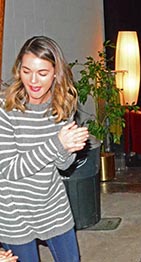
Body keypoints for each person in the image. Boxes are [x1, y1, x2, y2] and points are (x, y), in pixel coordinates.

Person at [0, 36, 89, 261]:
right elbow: (9, 169)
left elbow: (63, 165)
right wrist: (57, 144)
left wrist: (70, 147)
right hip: (14, 210)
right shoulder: (6, 108)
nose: (33, 81)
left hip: (52, 204)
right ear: (19, 69)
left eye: (42, 73)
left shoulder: (62, 106)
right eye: (27, 71)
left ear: (56, 73)